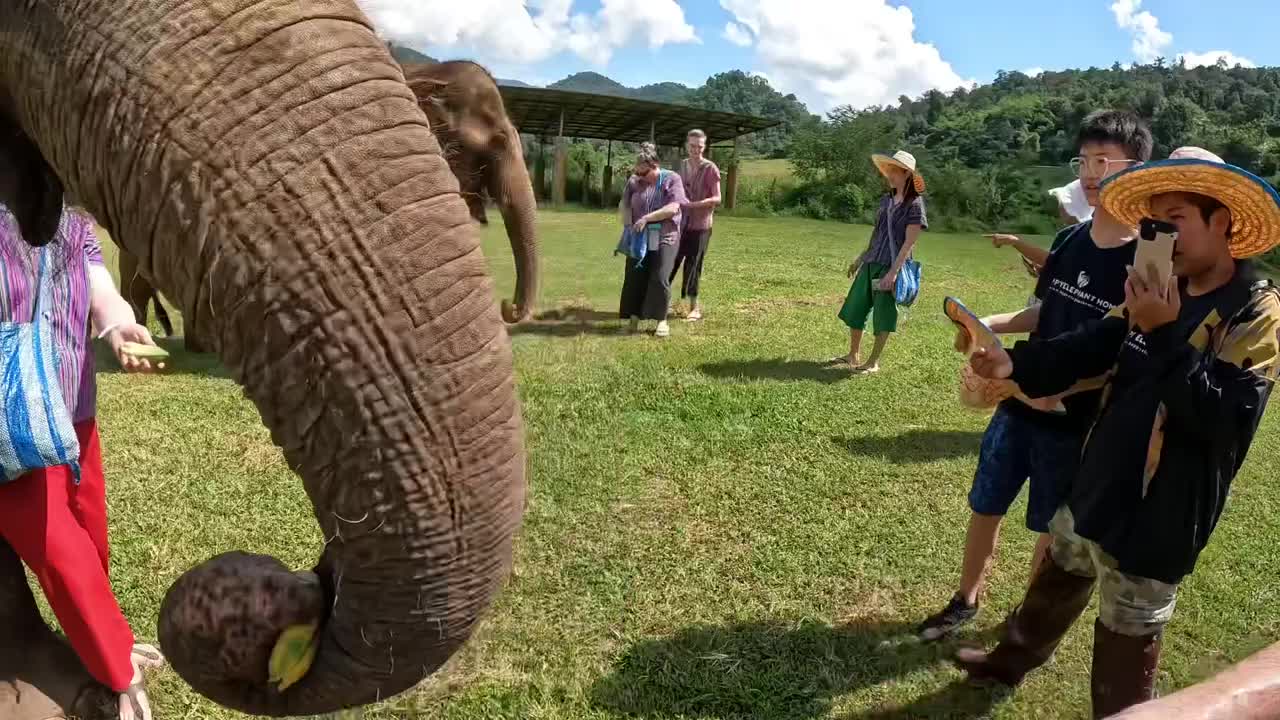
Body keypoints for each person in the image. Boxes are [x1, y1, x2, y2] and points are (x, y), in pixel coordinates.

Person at [959, 149, 1280, 718]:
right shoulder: (1151, 286)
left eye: (1175, 219)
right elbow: (1091, 344)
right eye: (1153, 224)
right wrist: (1015, 366)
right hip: (1099, 475)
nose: (1160, 236)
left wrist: (1159, 335)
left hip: (1161, 512)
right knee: (1057, 580)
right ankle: (1009, 661)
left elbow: (1223, 422)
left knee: (1127, 642)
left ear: (1223, 220)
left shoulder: (1254, 312)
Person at [917, 111, 1153, 642]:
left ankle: (1025, 619)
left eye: (1105, 162)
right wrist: (983, 324)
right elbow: (1037, 315)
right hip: (1017, 399)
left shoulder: (1144, 264)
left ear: (1136, 170)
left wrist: (1065, 391)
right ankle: (965, 600)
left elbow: (1124, 358)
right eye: (1085, 161)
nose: (1091, 173)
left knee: (1049, 528)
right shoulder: (1069, 243)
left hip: (1073, 425)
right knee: (986, 502)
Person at [0, 204, 167, 720]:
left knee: (91, 532)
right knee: (58, 545)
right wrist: (119, 662)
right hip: (13, 415)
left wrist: (119, 323)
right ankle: (117, 667)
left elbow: (93, 271)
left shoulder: (67, 212)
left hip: (74, 403)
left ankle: (107, 633)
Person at [834, 150, 927, 373]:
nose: (889, 175)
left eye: (894, 171)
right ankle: (853, 354)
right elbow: (877, 233)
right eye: (888, 170)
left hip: (890, 266)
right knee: (856, 307)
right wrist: (860, 258)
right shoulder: (886, 200)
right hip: (872, 261)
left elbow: (908, 244)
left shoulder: (915, 205)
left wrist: (893, 274)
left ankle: (873, 361)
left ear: (907, 174)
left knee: (883, 314)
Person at [618, 142, 687, 338]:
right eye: (637, 173)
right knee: (634, 276)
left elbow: (673, 208)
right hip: (639, 236)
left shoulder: (672, 179)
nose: (640, 177)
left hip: (664, 235)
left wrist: (647, 218)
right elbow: (625, 205)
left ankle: (661, 321)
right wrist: (628, 225)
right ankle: (633, 319)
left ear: (655, 165)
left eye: (644, 173)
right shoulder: (634, 181)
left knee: (660, 275)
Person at [670, 129, 722, 322]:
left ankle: (694, 308)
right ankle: (658, 303)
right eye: (692, 146)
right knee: (670, 262)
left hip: (701, 226)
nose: (695, 150)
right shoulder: (680, 166)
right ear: (687, 145)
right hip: (679, 224)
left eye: (699, 146)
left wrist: (695, 205)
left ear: (704, 147)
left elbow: (717, 197)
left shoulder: (710, 168)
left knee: (693, 266)